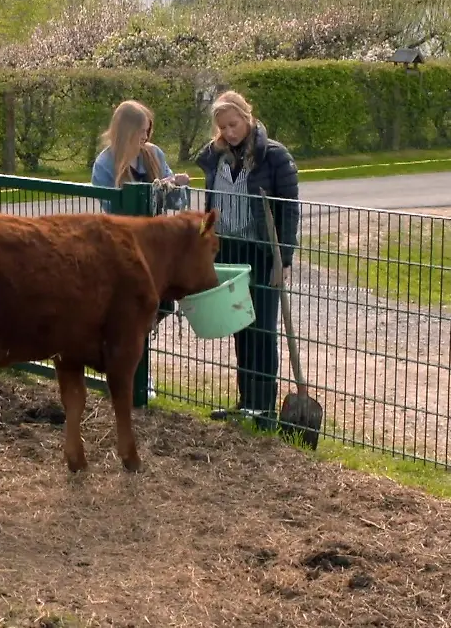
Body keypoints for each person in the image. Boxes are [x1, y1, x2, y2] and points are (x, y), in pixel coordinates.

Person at [195, 90, 301, 431]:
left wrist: (282, 259)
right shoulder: (216, 157)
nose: (229, 131)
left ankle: (264, 408)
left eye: (234, 123)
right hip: (228, 249)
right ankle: (246, 403)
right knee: (240, 326)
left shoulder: (274, 156)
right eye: (223, 126)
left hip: (260, 250)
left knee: (262, 329)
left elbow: (288, 211)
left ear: (247, 117)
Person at [91, 99, 192, 328]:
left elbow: (178, 201)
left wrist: (175, 186)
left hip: (156, 243)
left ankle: (139, 335)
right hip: (125, 245)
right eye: (141, 132)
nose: (145, 137)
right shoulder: (105, 164)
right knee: (131, 303)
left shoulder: (154, 154)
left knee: (163, 302)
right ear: (127, 131)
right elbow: (112, 208)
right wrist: (148, 194)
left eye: (147, 131)